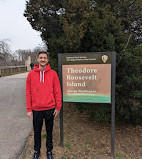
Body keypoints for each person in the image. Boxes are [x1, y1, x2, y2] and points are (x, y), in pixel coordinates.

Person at [26, 51, 62, 159]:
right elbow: (28, 92)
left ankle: (49, 151)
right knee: (37, 131)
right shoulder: (31, 74)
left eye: (45, 58)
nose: (43, 60)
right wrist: (29, 109)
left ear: (47, 60)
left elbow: (57, 91)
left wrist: (58, 106)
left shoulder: (53, 74)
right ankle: (37, 151)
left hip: (50, 108)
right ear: (37, 59)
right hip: (36, 109)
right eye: (41, 58)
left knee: (49, 131)